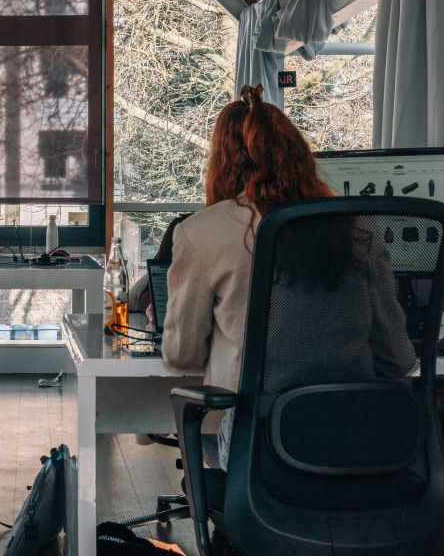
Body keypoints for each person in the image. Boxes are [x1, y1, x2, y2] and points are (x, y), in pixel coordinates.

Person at [161, 85, 417, 468]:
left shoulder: (202, 230)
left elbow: (182, 355)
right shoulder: (354, 225)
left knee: (210, 442)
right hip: (359, 442)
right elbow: (398, 360)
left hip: (262, 448)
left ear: (223, 161)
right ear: (298, 154)